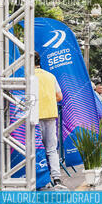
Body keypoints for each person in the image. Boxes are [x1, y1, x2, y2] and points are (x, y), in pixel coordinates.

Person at [35, 52, 66, 190]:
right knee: (51, 149)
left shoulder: (26, 77)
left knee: (34, 149)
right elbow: (59, 96)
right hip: (50, 115)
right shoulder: (50, 76)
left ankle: (38, 180)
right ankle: (57, 178)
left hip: (33, 117)